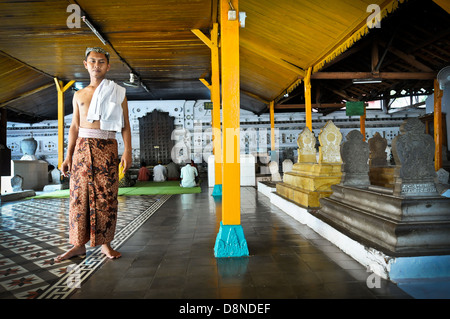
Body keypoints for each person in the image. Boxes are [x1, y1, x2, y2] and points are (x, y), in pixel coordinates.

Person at [57, 47, 132, 261]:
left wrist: (127, 151)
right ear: (85, 64)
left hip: (107, 147)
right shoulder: (79, 94)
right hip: (82, 147)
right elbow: (73, 127)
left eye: (101, 62)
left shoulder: (118, 92)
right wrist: (67, 155)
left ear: (108, 66)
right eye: (92, 61)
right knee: (78, 197)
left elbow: (125, 125)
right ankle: (78, 245)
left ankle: (106, 244)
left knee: (106, 197)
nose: (96, 65)